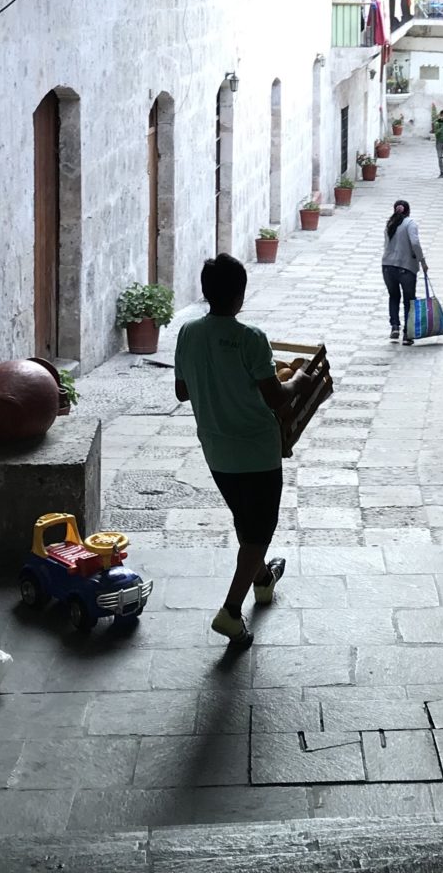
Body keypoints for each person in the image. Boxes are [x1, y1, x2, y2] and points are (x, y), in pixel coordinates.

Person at [173, 254, 297, 646]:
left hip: (216, 450)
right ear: (240, 295)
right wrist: (303, 379)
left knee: (247, 521)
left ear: (207, 293)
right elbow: (277, 395)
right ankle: (230, 611)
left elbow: (181, 390)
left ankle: (262, 578)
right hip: (257, 452)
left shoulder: (188, 333)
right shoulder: (251, 338)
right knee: (258, 533)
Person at [383, 198, 430, 345]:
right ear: (408, 211)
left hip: (387, 266)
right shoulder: (410, 224)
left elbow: (386, 245)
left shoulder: (389, 224)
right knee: (409, 299)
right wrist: (422, 260)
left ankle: (395, 326)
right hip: (406, 267)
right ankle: (408, 334)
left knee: (394, 296)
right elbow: (415, 242)